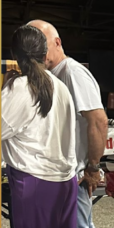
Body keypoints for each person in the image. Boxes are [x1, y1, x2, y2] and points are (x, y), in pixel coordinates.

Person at [30, 20, 109, 228]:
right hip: (58, 177)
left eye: (42, 45)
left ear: (57, 42)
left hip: (74, 179)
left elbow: (99, 121)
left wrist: (93, 167)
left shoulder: (72, 73)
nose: (38, 52)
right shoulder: (48, 76)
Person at [2, 25, 78, 227]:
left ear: (14, 54)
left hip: (34, 182)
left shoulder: (19, 88)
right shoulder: (60, 87)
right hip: (66, 182)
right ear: (45, 53)